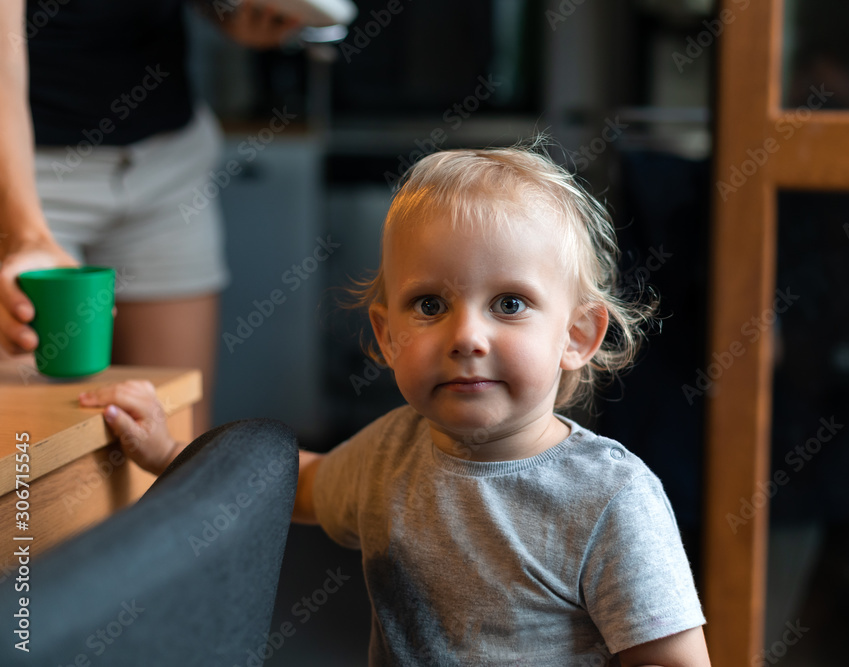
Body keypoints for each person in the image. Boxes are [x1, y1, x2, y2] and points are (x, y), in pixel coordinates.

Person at [80, 143, 712, 666]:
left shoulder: (613, 499)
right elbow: (294, 486)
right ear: (387, 336)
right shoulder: (389, 452)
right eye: (430, 305)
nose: (467, 336)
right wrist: (168, 453)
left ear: (576, 336)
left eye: (510, 304)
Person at [0, 0, 302, 434]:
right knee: (31, 450)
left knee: (179, 437)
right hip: (25, 172)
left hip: (167, 162)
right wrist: (24, 234)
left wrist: (235, 15)